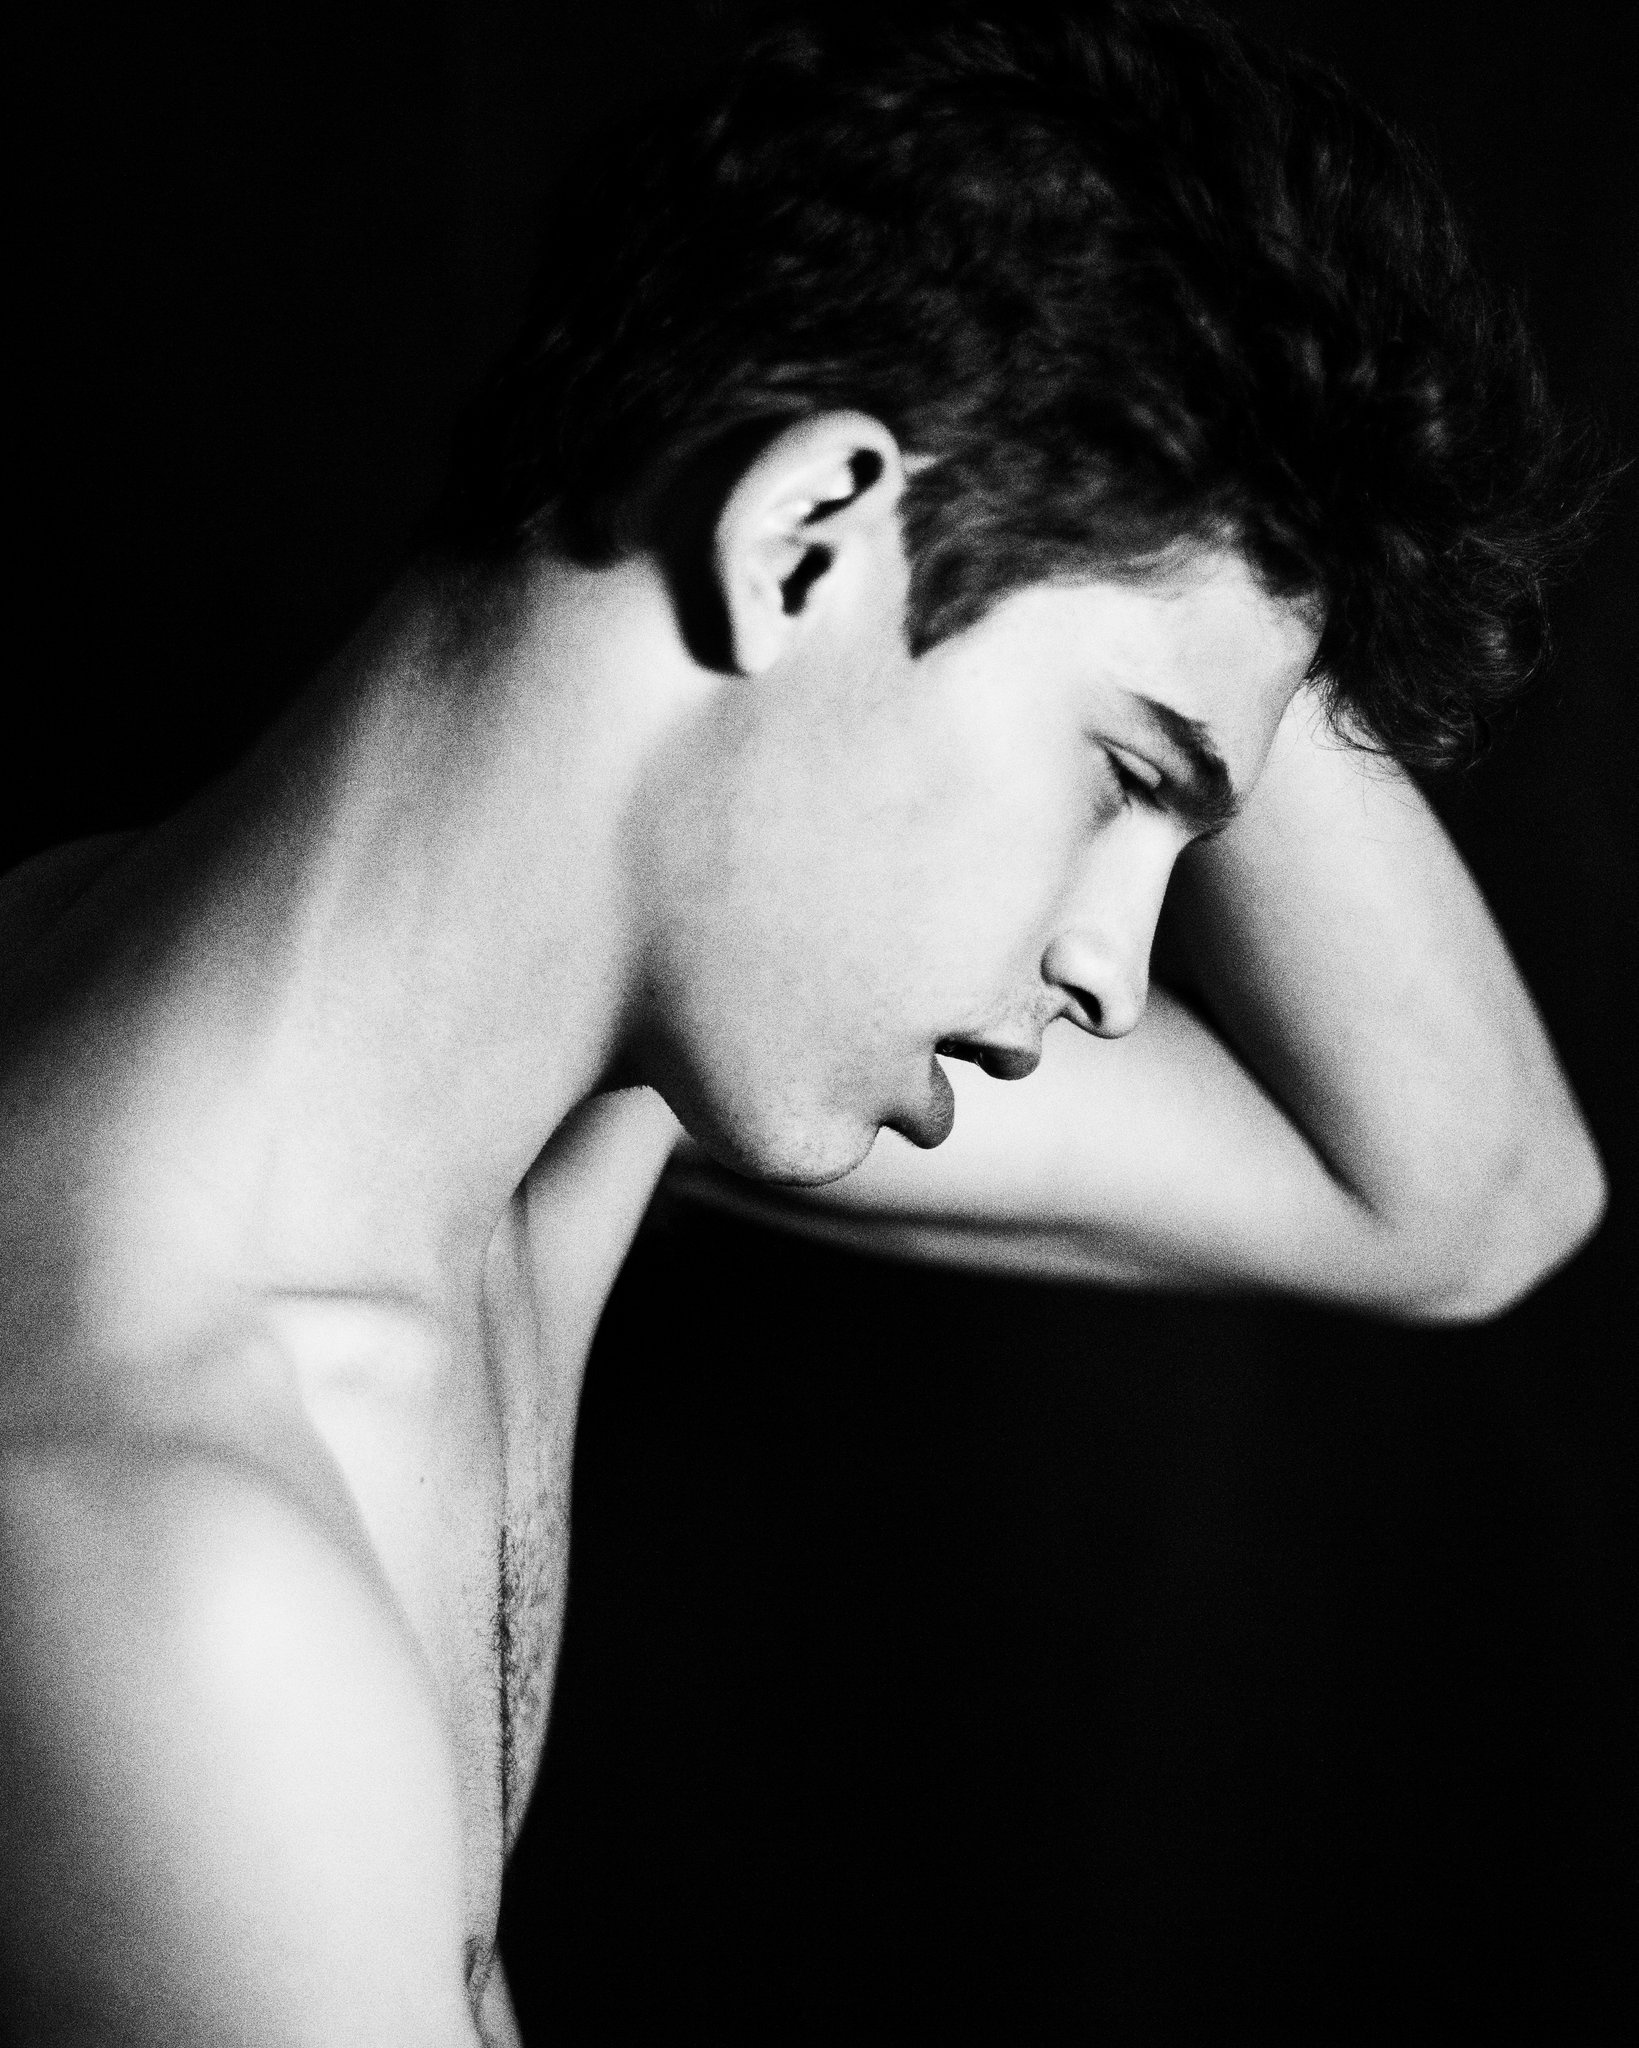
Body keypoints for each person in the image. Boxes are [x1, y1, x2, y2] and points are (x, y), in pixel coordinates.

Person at [0, 2, 1606, 2040]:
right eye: (1124, 777)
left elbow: (1468, 1192)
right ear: (807, 538)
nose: (1118, 967)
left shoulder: (546, 1109)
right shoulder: (160, 1565)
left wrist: (1215, 462)